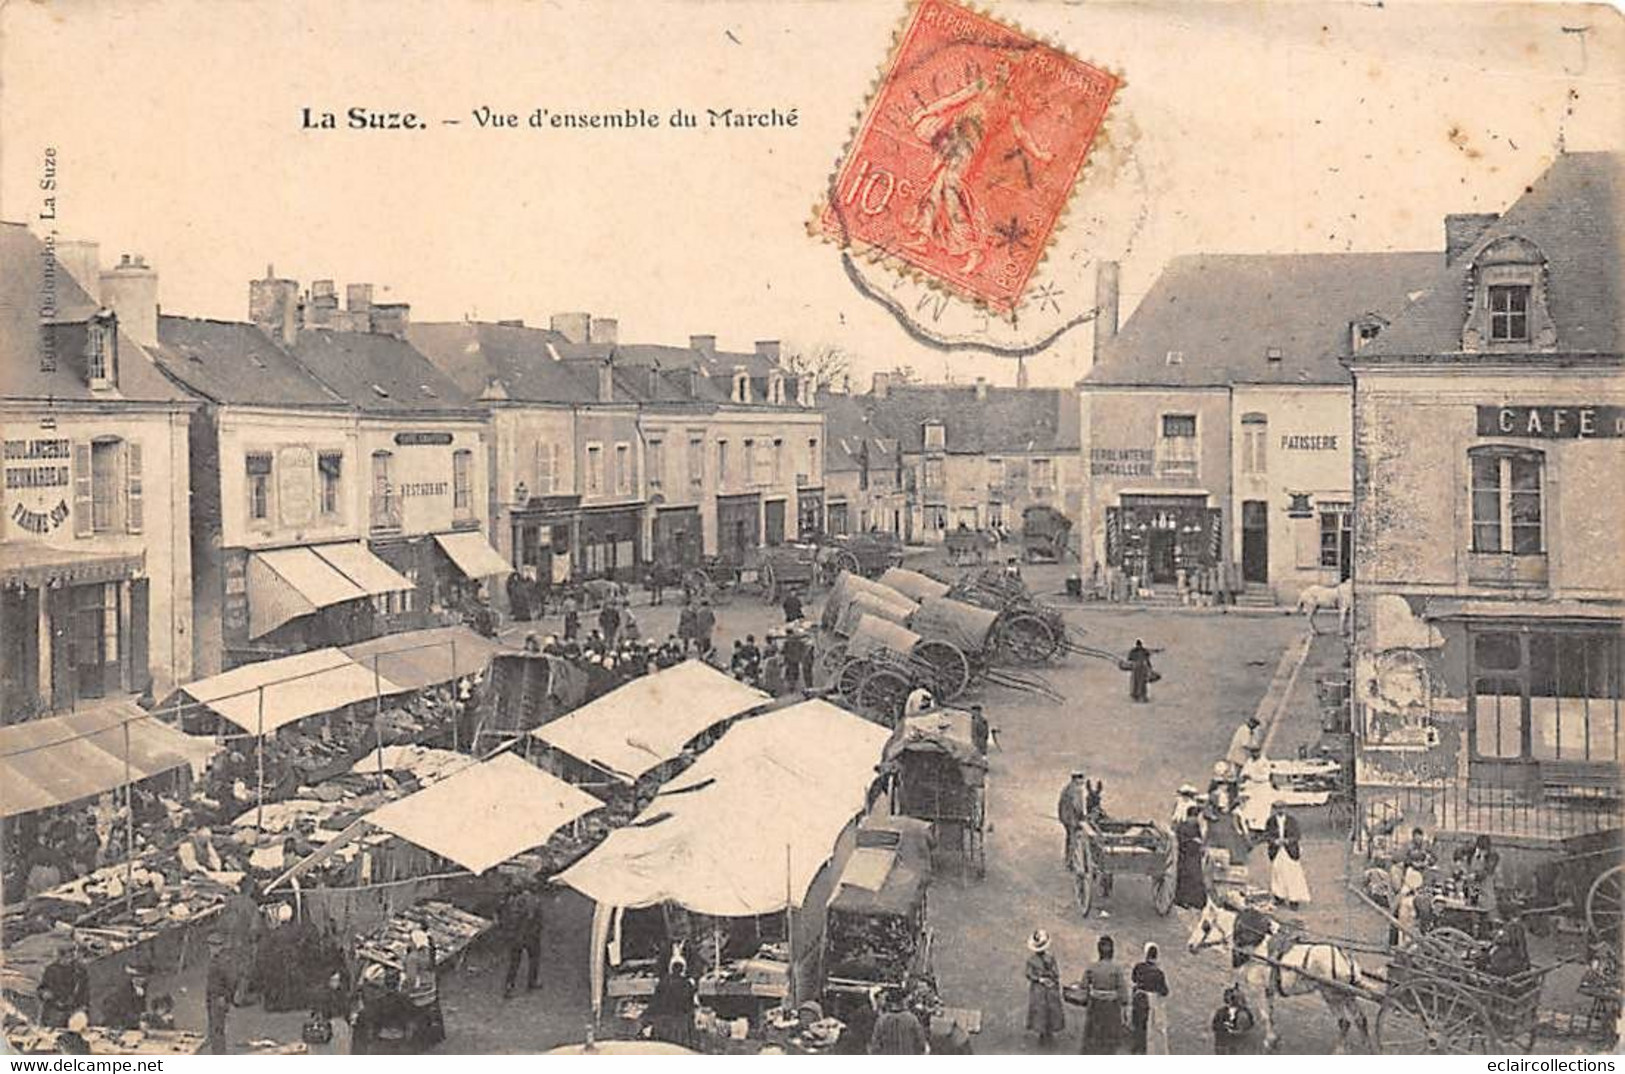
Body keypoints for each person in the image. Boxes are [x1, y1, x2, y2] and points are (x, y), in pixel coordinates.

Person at [1078, 934, 1129, 1054]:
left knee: (1094, 1034)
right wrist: (1124, 1004)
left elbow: (1083, 985)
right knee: (1109, 1034)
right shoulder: (1117, 969)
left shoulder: (1092, 967)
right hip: (1111, 1006)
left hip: (1095, 1005)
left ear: (1098, 951)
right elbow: (1123, 991)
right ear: (1112, 952)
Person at [499, 881, 543, 998]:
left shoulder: (513, 902)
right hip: (530, 936)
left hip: (516, 937)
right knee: (534, 959)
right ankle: (532, 982)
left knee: (514, 963)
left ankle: (509, 986)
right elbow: (538, 920)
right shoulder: (535, 901)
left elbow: (509, 919)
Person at [402, 930, 444, 1049]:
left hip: (417, 996)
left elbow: (411, 979)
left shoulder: (412, 958)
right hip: (430, 992)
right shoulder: (428, 954)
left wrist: (404, 991)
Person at [644, 955, 697, 1047]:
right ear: (683, 969)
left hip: (663, 1023)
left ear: (671, 968)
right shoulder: (687, 984)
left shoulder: (662, 982)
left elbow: (655, 1003)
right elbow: (690, 1006)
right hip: (680, 1024)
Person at [1265, 802, 1311, 908]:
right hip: (1276, 851)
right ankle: (1279, 896)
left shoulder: (1292, 821)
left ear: (1286, 809)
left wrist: (1287, 841)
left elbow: (1297, 835)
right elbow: (1267, 835)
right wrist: (1274, 841)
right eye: (1277, 808)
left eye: (1282, 808)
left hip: (1290, 851)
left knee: (1292, 874)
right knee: (1278, 873)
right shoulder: (1270, 821)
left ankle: (1294, 900)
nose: (1280, 810)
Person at [1024, 929, 1065, 1046]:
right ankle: (1042, 1033)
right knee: (1040, 1011)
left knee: (1050, 1009)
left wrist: (1050, 977)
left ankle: (1049, 1031)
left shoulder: (1050, 958)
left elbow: (1056, 973)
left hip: (1048, 988)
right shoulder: (1032, 960)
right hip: (1039, 989)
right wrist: (1040, 979)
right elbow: (1029, 974)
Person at [1130, 942, 1170, 1055]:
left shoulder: (1139, 967)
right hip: (1151, 1002)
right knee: (1151, 1028)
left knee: (1138, 1026)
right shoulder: (1159, 973)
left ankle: (1136, 1049)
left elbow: (1133, 979)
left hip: (1138, 1000)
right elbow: (1164, 991)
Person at [39, 940, 90, 1027]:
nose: (71, 958)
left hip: (73, 1011)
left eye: (73, 953)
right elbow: (43, 988)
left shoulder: (80, 970)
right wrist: (44, 993)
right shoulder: (51, 970)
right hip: (54, 1011)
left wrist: (82, 1006)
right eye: (68, 955)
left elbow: (84, 990)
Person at [867, 987, 928, 1054]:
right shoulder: (912, 1019)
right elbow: (921, 1045)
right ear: (903, 1001)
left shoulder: (881, 1021)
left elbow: (875, 1047)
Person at [1173, 805, 1209, 910]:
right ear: (1191, 816)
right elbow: (1180, 840)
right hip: (1186, 855)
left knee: (1196, 877)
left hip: (1194, 855)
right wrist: (1193, 841)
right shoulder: (1183, 826)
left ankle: (1196, 902)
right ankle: (1182, 900)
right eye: (1196, 816)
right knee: (1187, 877)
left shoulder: (1196, 826)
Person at [204, 934, 234, 1054]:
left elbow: (231, 980)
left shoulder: (223, 961)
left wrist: (225, 996)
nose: (211, 949)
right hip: (212, 997)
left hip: (218, 998)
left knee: (217, 1029)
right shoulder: (216, 960)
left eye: (213, 946)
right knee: (214, 1028)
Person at [102, 963, 152, 1030]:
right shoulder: (124, 991)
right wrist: (137, 1022)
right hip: (118, 1026)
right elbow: (124, 1012)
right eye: (138, 977)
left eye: (143, 977)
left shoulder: (141, 990)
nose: (142, 979)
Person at [1211, 985, 1256, 1054]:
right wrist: (1226, 1029)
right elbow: (1215, 1027)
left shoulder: (1245, 1013)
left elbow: (1250, 1026)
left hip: (1240, 1046)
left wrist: (1240, 1031)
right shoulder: (1221, 1012)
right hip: (1225, 1045)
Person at [1057, 771, 1089, 866]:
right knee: (1073, 839)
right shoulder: (1076, 790)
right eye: (1081, 779)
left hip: (1065, 819)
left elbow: (1060, 805)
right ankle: (1071, 861)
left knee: (1069, 838)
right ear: (1076, 779)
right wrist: (1082, 816)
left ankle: (1068, 859)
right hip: (1072, 820)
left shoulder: (1066, 788)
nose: (1082, 781)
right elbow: (1077, 805)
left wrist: (1062, 817)